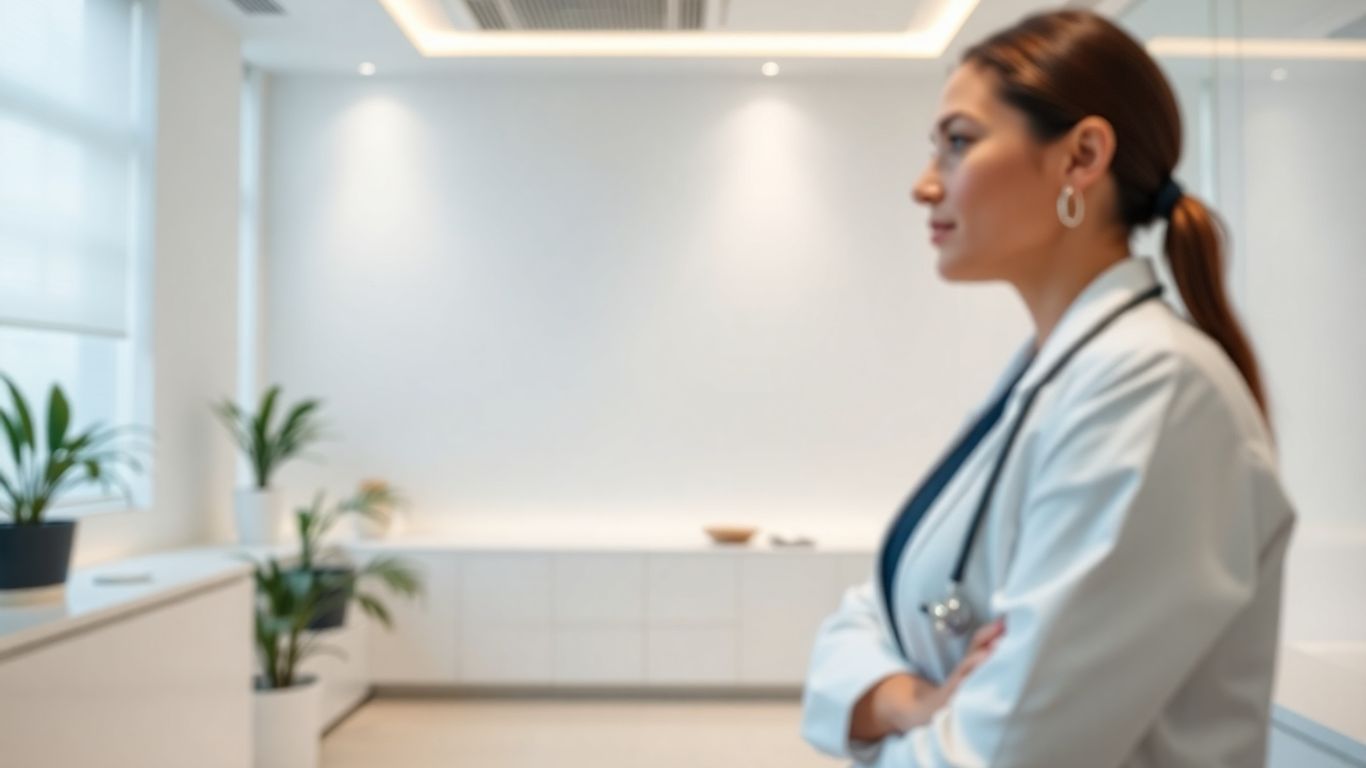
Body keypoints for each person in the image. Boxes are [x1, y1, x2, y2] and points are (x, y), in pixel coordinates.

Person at [800, 10, 1296, 767]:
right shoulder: (1062, 376)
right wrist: (916, 700)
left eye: (959, 142)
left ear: (1081, 157)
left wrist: (906, 709)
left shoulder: (1154, 391)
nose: (924, 184)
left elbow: (1007, 754)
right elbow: (867, 616)